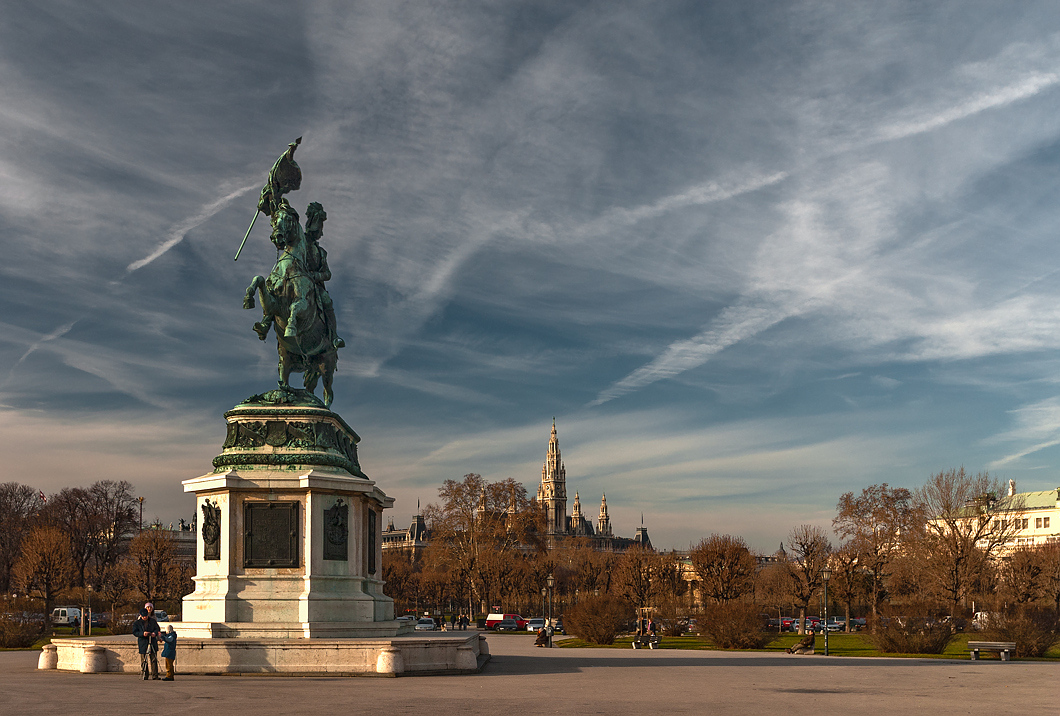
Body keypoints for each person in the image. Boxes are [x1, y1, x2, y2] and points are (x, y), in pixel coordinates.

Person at [132, 605, 161, 680]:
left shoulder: (152, 621)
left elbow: (157, 628)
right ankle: (145, 674)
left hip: (152, 641)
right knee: (144, 660)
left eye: (146, 616)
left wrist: (155, 633)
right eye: (143, 616)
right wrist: (142, 634)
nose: (145, 617)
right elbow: (135, 632)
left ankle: (155, 675)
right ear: (140, 615)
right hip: (143, 642)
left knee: (153, 659)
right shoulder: (137, 623)